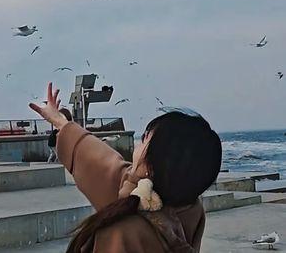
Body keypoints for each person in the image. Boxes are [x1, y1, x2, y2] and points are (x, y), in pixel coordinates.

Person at [29, 83, 222, 253]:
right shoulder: (190, 208)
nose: (138, 144)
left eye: (145, 139)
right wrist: (61, 122)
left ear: (151, 166)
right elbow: (105, 165)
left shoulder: (121, 232)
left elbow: (110, 171)